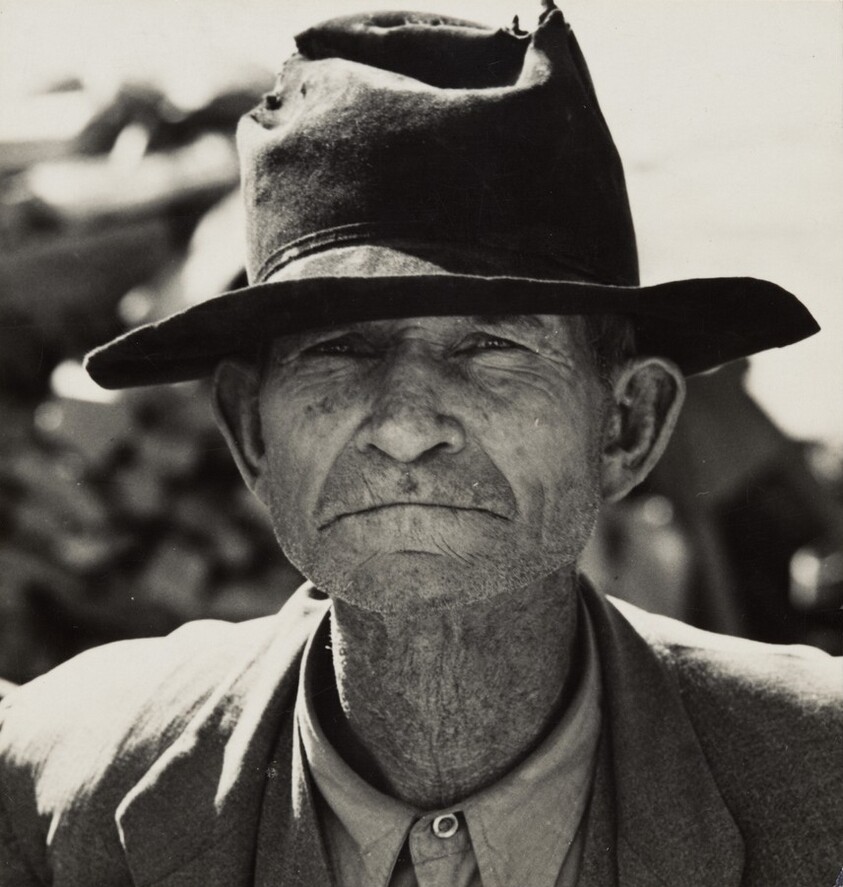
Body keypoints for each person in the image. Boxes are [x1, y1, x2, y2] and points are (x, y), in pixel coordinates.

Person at [1, 5, 840, 886]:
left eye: (489, 347)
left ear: (624, 425)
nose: (404, 425)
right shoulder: (72, 787)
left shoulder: (818, 785)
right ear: (252, 431)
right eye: (339, 349)